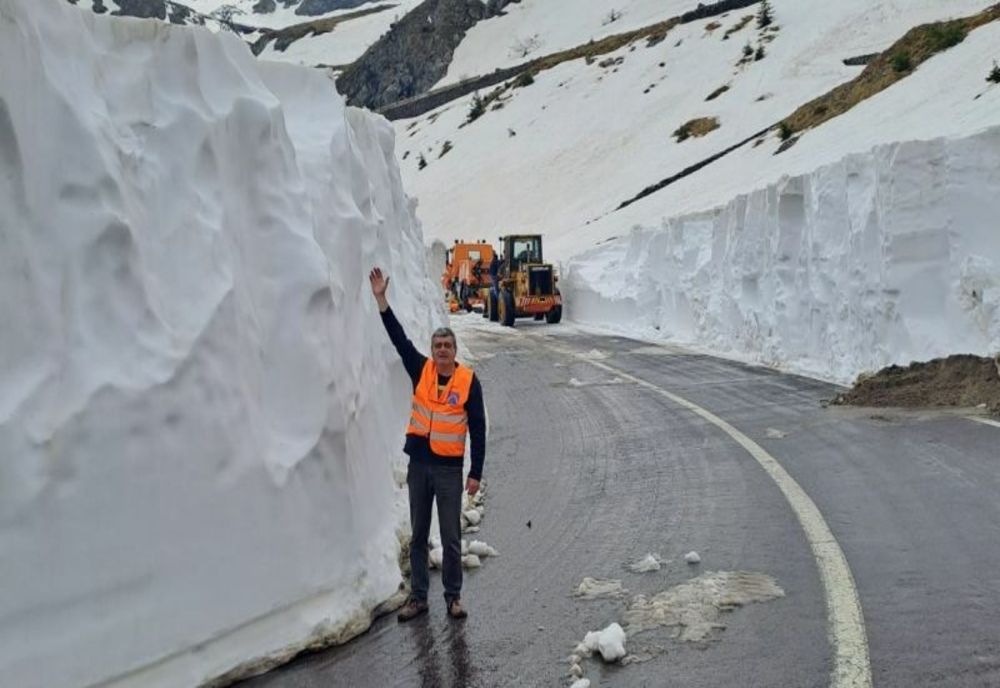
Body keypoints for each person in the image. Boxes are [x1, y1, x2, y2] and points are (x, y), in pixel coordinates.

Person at [369, 267, 487, 622]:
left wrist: (476, 472)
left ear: (454, 350)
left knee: (451, 538)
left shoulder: (468, 381)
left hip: (450, 469)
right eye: (437, 346)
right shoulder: (421, 369)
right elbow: (400, 340)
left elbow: (478, 429)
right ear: (432, 351)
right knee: (418, 535)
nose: (441, 351)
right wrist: (381, 301)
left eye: (447, 346)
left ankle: (453, 597)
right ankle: (419, 597)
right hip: (419, 466)